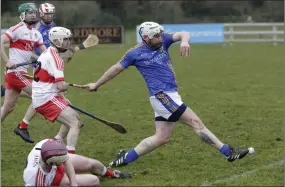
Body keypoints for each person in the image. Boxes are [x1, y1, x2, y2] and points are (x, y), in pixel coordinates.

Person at [82, 21, 254, 168]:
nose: (160, 38)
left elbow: (183, 33)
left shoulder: (162, 40)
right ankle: (228, 152)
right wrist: (96, 84)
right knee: (195, 123)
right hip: (161, 96)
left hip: (170, 95)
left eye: (160, 35)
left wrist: (185, 42)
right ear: (146, 37)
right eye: (156, 36)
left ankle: (125, 158)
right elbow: (116, 69)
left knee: (161, 138)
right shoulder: (135, 53)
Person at [31, 26, 81, 154]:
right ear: (57, 41)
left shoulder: (46, 52)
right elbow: (60, 86)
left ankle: (57, 140)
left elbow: (51, 79)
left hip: (42, 96)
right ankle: (71, 157)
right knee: (75, 124)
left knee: (75, 116)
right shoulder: (57, 59)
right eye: (66, 39)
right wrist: (66, 85)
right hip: (46, 99)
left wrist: (63, 98)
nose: (68, 42)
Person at [0, 3, 46, 143]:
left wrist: (52, 57)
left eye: (33, 12)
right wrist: (7, 61)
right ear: (22, 15)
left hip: (20, 73)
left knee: (8, 108)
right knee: (40, 94)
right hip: (15, 73)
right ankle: (22, 126)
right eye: (29, 12)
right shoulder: (17, 29)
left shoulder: (36, 34)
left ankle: (21, 126)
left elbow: (44, 53)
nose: (33, 14)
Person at [24, 138, 132, 186]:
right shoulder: (34, 179)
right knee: (94, 181)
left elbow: (66, 160)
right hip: (53, 180)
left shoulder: (48, 145)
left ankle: (111, 174)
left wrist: (74, 184)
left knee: (92, 163)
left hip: (52, 164)